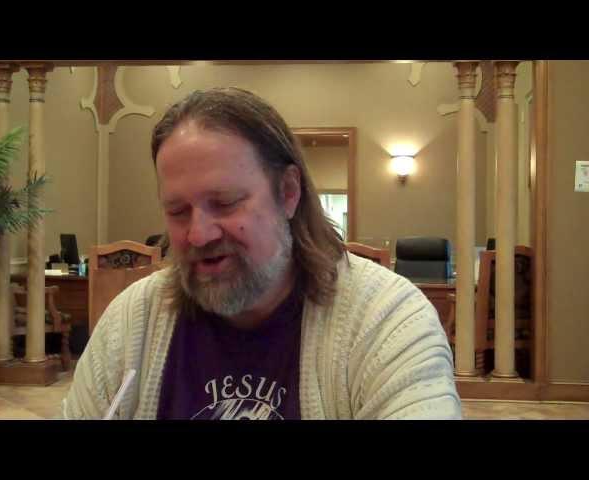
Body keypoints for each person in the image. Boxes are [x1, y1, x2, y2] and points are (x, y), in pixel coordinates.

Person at [61, 87, 461, 420]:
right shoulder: (131, 323)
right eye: (178, 211)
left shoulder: (388, 321)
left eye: (225, 203)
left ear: (288, 192)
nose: (198, 234)